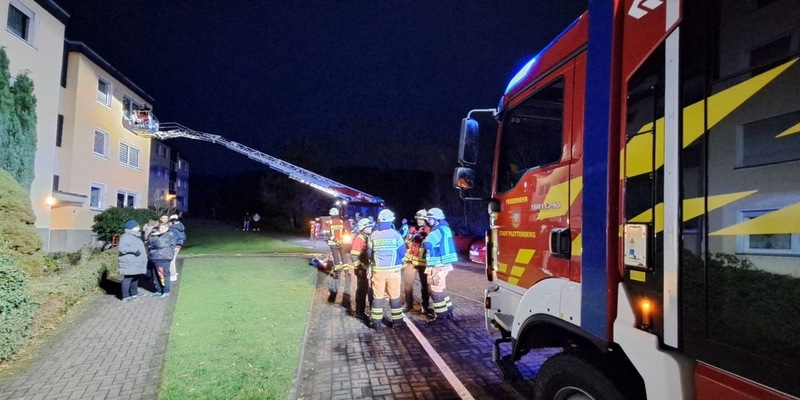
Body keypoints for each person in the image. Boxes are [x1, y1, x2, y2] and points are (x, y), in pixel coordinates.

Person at [368, 209, 406, 330]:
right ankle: (398, 322)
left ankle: (376, 323)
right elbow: (402, 251)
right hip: (394, 270)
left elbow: (369, 253)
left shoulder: (373, 235)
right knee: (394, 296)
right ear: (390, 221)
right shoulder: (396, 234)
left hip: (378, 270)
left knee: (378, 296)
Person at [422, 207, 458, 323]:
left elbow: (428, 244)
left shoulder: (436, 230)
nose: (428, 221)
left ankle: (441, 316)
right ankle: (448, 310)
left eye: (430, 218)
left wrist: (424, 240)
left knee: (435, 290)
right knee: (441, 288)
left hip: (437, 265)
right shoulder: (446, 228)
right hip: (444, 264)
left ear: (435, 219)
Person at [402, 209, 431, 314]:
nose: (419, 221)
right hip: (411, 261)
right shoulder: (412, 229)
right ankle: (408, 304)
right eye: (418, 219)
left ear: (426, 220)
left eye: (421, 219)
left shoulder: (429, 230)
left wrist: (423, 238)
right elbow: (407, 242)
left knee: (425, 285)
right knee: (408, 284)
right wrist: (410, 239)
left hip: (423, 262)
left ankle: (425, 306)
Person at [349, 218, 374, 322]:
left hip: (367, 268)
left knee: (370, 290)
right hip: (362, 269)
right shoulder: (359, 239)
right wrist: (360, 267)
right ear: (363, 228)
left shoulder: (367, 237)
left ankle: (372, 311)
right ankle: (359, 312)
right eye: (368, 226)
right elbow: (354, 256)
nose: (371, 228)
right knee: (362, 291)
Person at [323, 207, 350, 303]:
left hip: (333, 243)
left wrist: (335, 240)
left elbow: (328, 234)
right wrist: (340, 240)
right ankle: (347, 273)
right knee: (344, 257)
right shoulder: (341, 222)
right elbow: (344, 232)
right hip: (342, 242)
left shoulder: (329, 223)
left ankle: (338, 273)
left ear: (331, 214)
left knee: (336, 258)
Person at [118, 220, 148, 302]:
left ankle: (134, 293)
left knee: (135, 278)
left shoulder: (135, 236)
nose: (139, 228)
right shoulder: (126, 236)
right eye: (137, 226)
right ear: (132, 228)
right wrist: (134, 250)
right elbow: (122, 249)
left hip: (135, 262)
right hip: (130, 262)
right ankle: (125, 296)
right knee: (128, 279)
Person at [147, 221, 175, 298]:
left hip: (163, 258)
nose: (160, 229)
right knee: (155, 275)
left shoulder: (169, 234)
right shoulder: (156, 235)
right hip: (154, 257)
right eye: (160, 228)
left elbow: (160, 244)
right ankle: (159, 290)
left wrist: (154, 237)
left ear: (167, 228)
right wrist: (153, 240)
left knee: (163, 275)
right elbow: (148, 244)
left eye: (162, 228)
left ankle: (166, 290)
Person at [168, 214, 185, 282]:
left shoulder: (174, 228)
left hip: (174, 244)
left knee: (171, 260)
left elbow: (172, 237)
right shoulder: (181, 226)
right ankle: (173, 273)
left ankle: (172, 275)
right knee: (173, 259)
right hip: (179, 244)